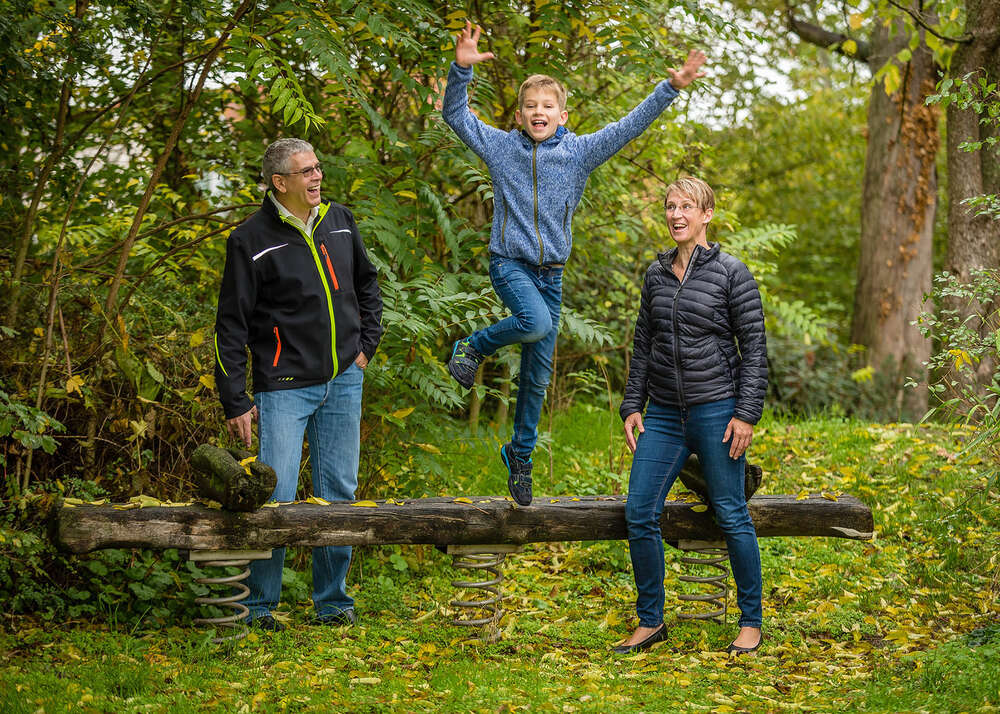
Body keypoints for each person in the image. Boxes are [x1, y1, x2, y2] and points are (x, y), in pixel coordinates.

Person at [442, 22, 707, 506]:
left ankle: (519, 456)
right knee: (534, 322)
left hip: (552, 275)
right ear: (519, 115)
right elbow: (455, 116)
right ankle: (472, 347)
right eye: (530, 107)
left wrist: (670, 88)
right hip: (510, 265)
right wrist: (461, 69)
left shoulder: (580, 153)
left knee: (538, 376)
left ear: (563, 116)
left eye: (547, 107)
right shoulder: (501, 148)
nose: (538, 113)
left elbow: (629, 126)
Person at [213, 138, 383, 632]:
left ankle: (333, 603)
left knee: (339, 492)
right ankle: (259, 607)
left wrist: (366, 345)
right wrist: (236, 399)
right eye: (304, 172)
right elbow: (231, 325)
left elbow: (368, 284)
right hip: (283, 386)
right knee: (277, 494)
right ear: (278, 182)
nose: (316, 178)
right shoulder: (250, 239)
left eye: (318, 168)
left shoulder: (339, 220)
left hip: (343, 380)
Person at [616, 177, 767, 655]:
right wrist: (631, 405)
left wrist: (745, 414)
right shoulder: (655, 275)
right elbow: (644, 344)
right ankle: (651, 621)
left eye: (687, 206)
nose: (676, 214)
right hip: (662, 413)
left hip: (717, 409)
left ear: (706, 215)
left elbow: (756, 350)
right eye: (669, 206)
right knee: (639, 510)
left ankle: (751, 621)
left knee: (730, 511)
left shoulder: (731, 273)